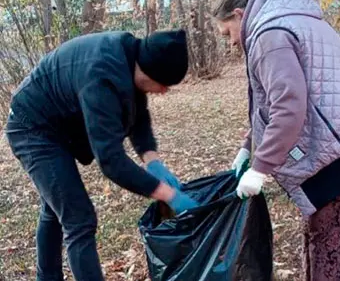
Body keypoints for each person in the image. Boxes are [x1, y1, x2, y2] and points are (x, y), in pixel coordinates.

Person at [212, 0, 340, 281]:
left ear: (239, 15)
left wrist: (260, 167)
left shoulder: (269, 36)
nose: (230, 44)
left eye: (228, 33)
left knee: (334, 250)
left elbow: (288, 107)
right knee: (324, 239)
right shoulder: (281, 19)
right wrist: (247, 147)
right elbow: (270, 104)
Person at [4, 29, 197, 281]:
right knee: (79, 219)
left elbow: (138, 114)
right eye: (163, 84)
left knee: (56, 208)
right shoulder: (101, 76)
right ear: (150, 71)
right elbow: (111, 160)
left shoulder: (130, 57)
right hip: (32, 127)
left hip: (56, 124)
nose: (163, 91)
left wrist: (153, 161)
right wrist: (167, 194)